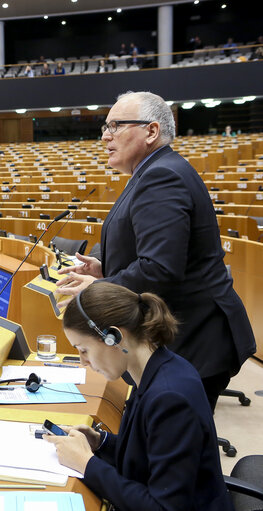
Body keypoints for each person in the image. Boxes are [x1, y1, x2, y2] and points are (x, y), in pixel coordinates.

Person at [56, 91, 256, 410]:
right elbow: (155, 253)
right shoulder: (153, 172)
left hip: (195, 339)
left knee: (175, 448)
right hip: (186, 334)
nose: (106, 136)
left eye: (116, 126)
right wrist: (105, 268)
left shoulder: (161, 176)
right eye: (104, 128)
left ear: (151, 131)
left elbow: (161, 268)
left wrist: (100, 286)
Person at [45, 283, 233, 511]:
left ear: (114, 337)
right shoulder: (156, 369)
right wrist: (100, 442)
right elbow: (149, 451)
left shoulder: (169, 398)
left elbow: (163, 507)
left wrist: (87, 464)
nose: (83, 361)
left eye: (83, 349)